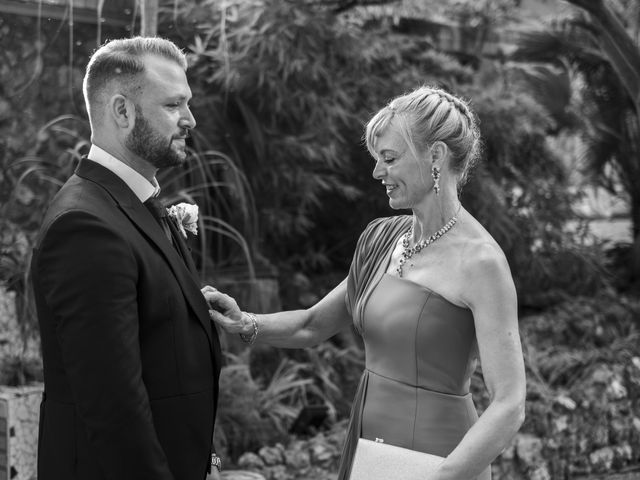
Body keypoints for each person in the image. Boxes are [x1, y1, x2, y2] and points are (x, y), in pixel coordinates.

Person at [205, 86, 526, 479]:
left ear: (436, 156)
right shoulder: (382, 239)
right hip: (370, 447)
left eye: (389, 159)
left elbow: (510, 403)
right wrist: (246, 322)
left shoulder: (481, 262)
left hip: (442, 460)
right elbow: (312, 325)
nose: (377, 172)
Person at [31, 37, 223, 480]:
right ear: (123, 111)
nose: (190, 119)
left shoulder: (133, 204)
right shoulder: (84, 226)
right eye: (174, 105)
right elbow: (114, 410)